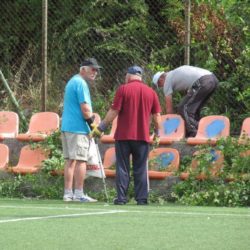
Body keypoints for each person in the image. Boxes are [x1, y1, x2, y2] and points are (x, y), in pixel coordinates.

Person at [91, 65, 161, 205]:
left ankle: (121, 198)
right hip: (142, 137)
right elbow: (157, 116)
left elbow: (114, 111)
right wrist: (157, 134)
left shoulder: (123, 89)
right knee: (141, 168)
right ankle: (141, 199)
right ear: (140, 77)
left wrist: (101, 127)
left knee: (122, 168)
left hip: (123, 136)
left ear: (128, 76)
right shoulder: (151, 92)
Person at [61, 57, 102, 202]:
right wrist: (93, 126)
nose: (95, 72)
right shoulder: (81, 83)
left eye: (96, 70)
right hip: (78, 129)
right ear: (83, 69)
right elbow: (85, 109)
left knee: (70, 160)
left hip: (67, 127)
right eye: (93, 69)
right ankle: (78, 194)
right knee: (80, 161)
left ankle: (68, 193)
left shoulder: (73, 81)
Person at [152, 65, 219, 137]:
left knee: (183, 107)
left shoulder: (167, 80)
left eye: (160, 85)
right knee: (194, 109)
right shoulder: (174, 74)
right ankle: (202, 131)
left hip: (203, 81)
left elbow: (169, 109)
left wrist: (171, 124)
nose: (161, 87)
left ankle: (195, 133)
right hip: (213, 79)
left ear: (161, 80)